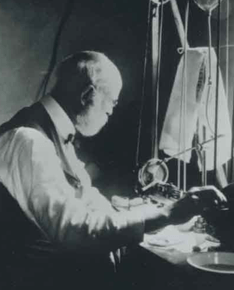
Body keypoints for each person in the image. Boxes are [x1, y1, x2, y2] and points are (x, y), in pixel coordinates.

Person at [0, 51, 227, 290]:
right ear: (88, 95)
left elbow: (88, 198)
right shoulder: (29, 140)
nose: (111, 114)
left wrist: (160, 217)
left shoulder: (51, 132)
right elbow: (75, 229)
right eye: (111, 104)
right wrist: (168, 212)